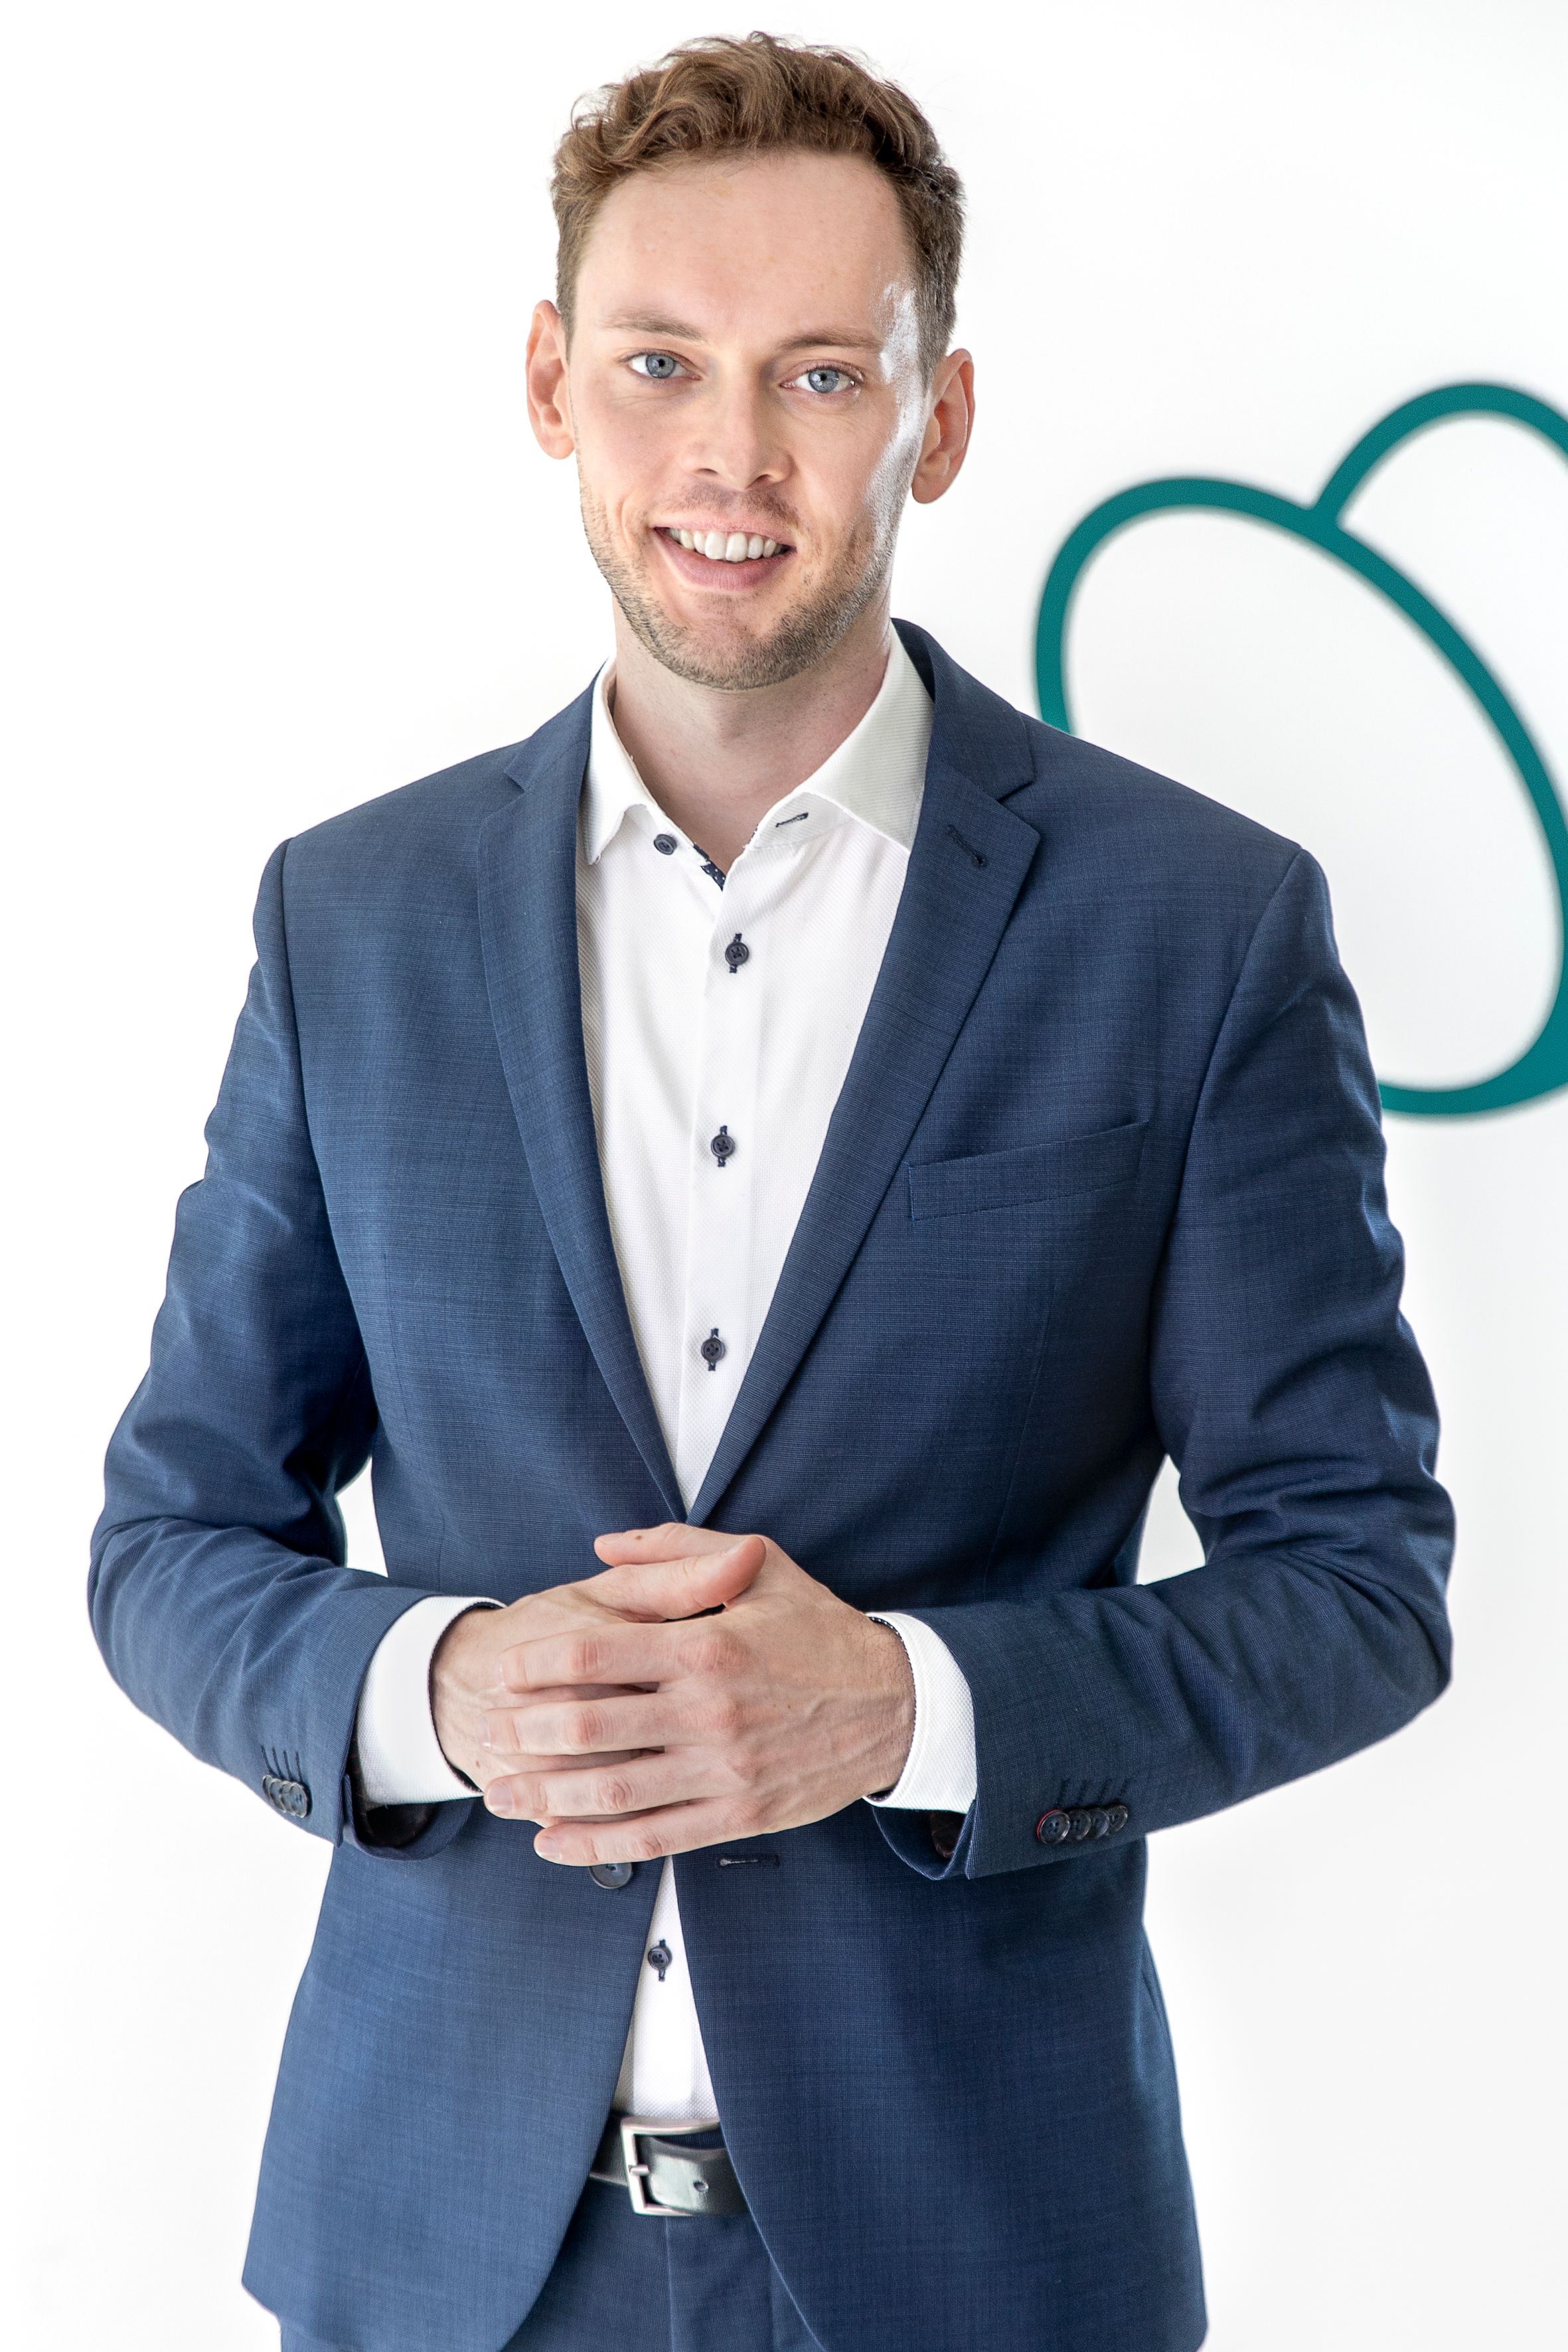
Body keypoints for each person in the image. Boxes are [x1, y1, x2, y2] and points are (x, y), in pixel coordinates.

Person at [90, 33, 1454, 2352]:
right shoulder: (353, 917)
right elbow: (167, 1545)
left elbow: (1358, 1586)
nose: (731, 454)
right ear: (551, 381)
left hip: (977, 2265)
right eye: (659, 365)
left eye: (822, 373)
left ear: (935, 418)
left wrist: (906, 1708)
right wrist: (440, 1686)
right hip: (428, 2264)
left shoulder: (1193, 927)